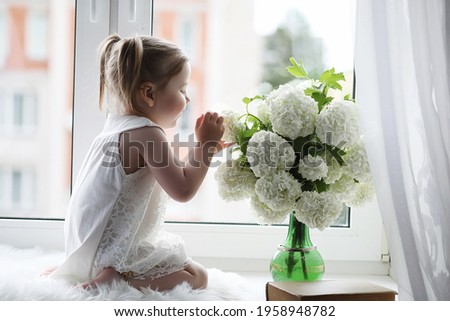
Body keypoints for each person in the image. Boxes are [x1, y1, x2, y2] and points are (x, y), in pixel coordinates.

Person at [47, 34, 226, 291]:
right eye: (182, 90)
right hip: (111, 257)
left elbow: (173, 170)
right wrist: (205, 144)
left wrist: (202, 149)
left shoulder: (117, 127)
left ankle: (94, 272)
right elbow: (183, 190)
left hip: (85, 250)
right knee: (198, 276)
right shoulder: (149, 134)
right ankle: (121, 281)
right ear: (149, 93)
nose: (187, 100)